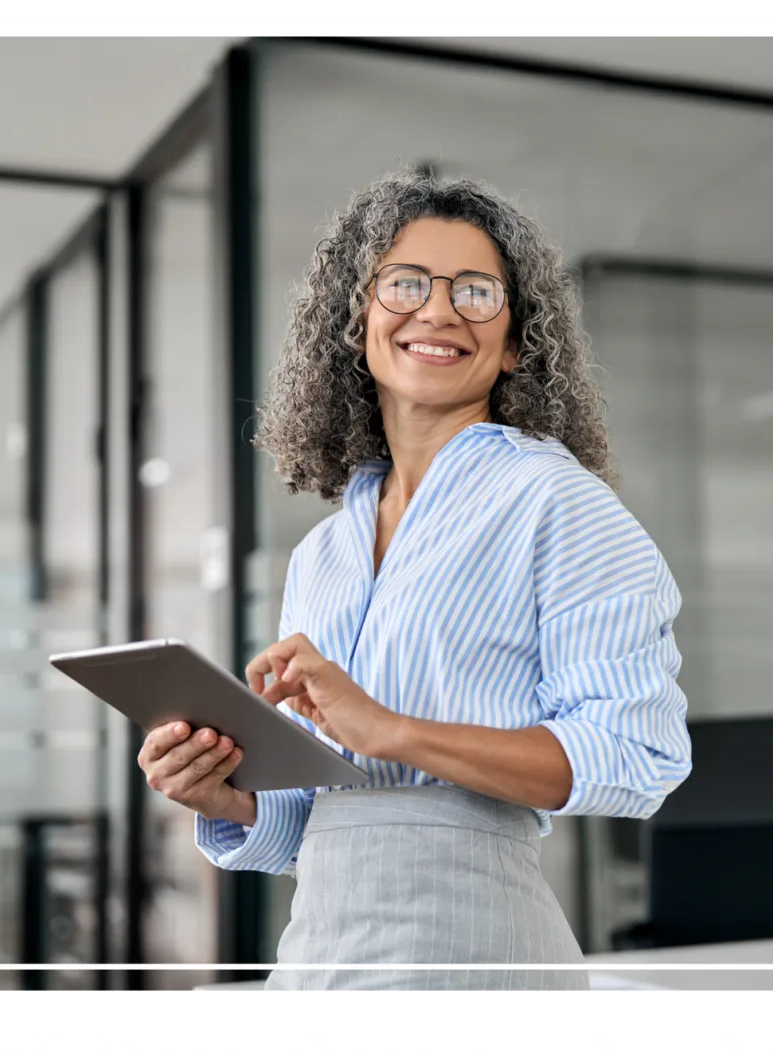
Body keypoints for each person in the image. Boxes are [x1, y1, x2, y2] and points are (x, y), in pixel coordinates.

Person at [138, 170, 692, 992]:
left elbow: (637, 754)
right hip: (319, 966)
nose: (437, 311)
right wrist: (228, 797)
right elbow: (328, 820)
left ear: (515, 344)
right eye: (406, 284)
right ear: (356, 320)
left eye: (476, 292)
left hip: (479, 962)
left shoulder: (557, 503)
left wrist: (391, 729)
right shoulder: (325, 552)